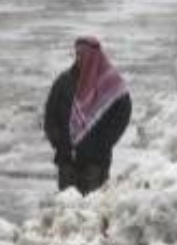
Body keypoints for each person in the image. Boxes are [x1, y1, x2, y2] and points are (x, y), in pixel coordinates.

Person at [43, 37, 132, 195]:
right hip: (67, 160)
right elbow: (50, 116)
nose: (79, 58)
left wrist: (104, 143)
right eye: (77, 54)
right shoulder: (64, 82)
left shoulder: (109, 83)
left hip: (96, 162)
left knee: (92, 205)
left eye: (84, 55)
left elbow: (123, 113)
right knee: (67, 205)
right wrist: (59, 142)